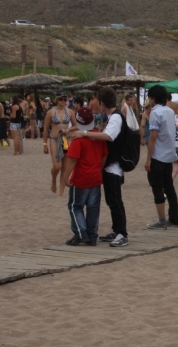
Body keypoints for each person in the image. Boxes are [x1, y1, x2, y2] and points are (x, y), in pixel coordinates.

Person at [73, 87, 130, 248]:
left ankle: (122, 233)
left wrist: (85, 133)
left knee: (115, 201)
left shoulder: (116, 117)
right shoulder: (113, 116)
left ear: (102, 103)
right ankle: (116, 229)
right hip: (110, 166)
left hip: (114, 167)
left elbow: (108, 136)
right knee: (111, 200)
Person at [61, 107, 107, 246]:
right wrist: (99, 168)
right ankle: (92, 235)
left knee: (75, 206)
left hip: (81, 177)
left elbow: (72, 159)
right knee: (93, 207)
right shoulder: (98, 137)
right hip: (95, 176)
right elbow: (104, 155)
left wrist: (65, 177)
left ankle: (81, 233)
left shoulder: (78, 139)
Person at [144, 85, 178, 229]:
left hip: (158, 155)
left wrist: (148, 159)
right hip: (169, 154)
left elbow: (153, 137)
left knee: (157, 188)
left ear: (153, 98)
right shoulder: (170, 111)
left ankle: (162, 220)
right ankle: (174, 218)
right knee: (169, 187)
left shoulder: (155, 113)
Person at [43, 93, 77, 194]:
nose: (63, 101)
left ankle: (61, 192)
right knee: (57, 166)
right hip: (54, 139)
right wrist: (45, 144)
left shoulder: (70, 112)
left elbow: (76, 126)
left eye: (65, 99)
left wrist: (69, 129)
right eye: (61, 99)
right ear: (57, 100)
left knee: (65, 166)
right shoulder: (50, 112)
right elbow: (45, 129)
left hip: (66, 139)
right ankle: (53, 179)